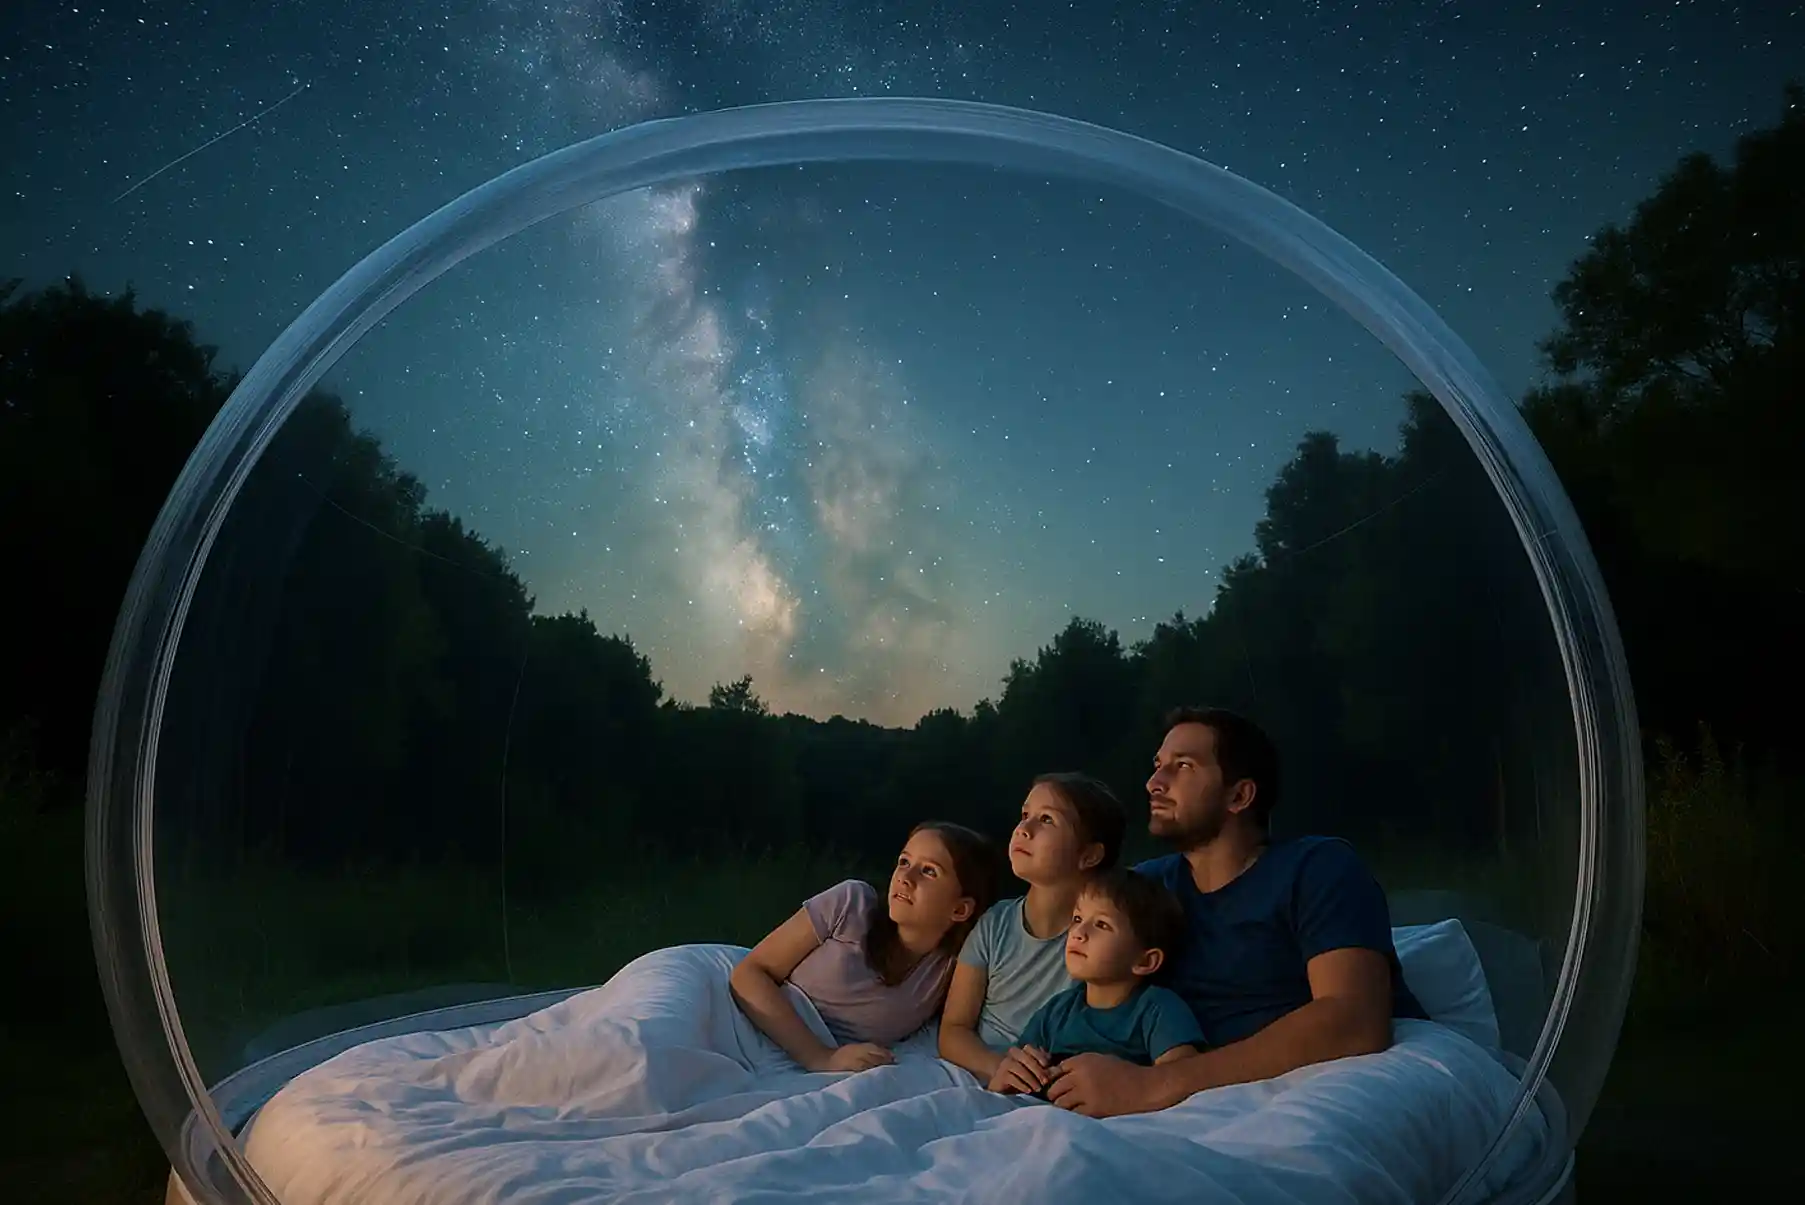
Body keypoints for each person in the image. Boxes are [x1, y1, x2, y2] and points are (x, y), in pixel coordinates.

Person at [1045, 706, 1428, 1118]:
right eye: (1158, 766)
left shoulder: (1317, 868)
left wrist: (1156, 1084)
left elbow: (1355, 1019)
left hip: (1301, 1092)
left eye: (1183, 766)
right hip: (1180, 1091)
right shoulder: (1146, 890)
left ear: (1239, 796)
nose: (1154, 782)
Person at [729, 820, 1003, 1074]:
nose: (905, 877)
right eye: (904, 861)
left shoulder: (950, 968)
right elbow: (750, 974)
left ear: (960, 909)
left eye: (929, 871)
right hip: (745, 1012)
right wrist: (820, 1056)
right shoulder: (852, 905)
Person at [937, 772, 1127, 1084]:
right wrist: (997, 1065)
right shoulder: (995, 923)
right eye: (1025, 815)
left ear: (1089, 855)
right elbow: (953, 1029)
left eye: (1047, 820)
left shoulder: (1105, 937)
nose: (1025, 829)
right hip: (988, 1071)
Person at [990, 868, 1202, 1098]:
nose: (1078, 932)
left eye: (1101, 924)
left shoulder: (1158, 1009)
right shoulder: (1056, 1011)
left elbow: (1180, 1079)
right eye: (1077, 919)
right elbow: (1016, 1076)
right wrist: (1006, 1077)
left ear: (1145, 960)